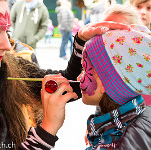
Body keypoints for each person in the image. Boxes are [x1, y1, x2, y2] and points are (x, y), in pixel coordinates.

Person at [0, 0, 131, 149]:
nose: (7, 45)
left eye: (7, 31)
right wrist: (46, 130)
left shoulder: (7, 67)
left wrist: (81, 41)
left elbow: (68, 82)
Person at [42, 21, 151, 150]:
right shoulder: (138, 118)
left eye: (85, 69)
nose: (78, 77)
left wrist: (47, 128)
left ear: (108, 82)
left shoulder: (115, 144)